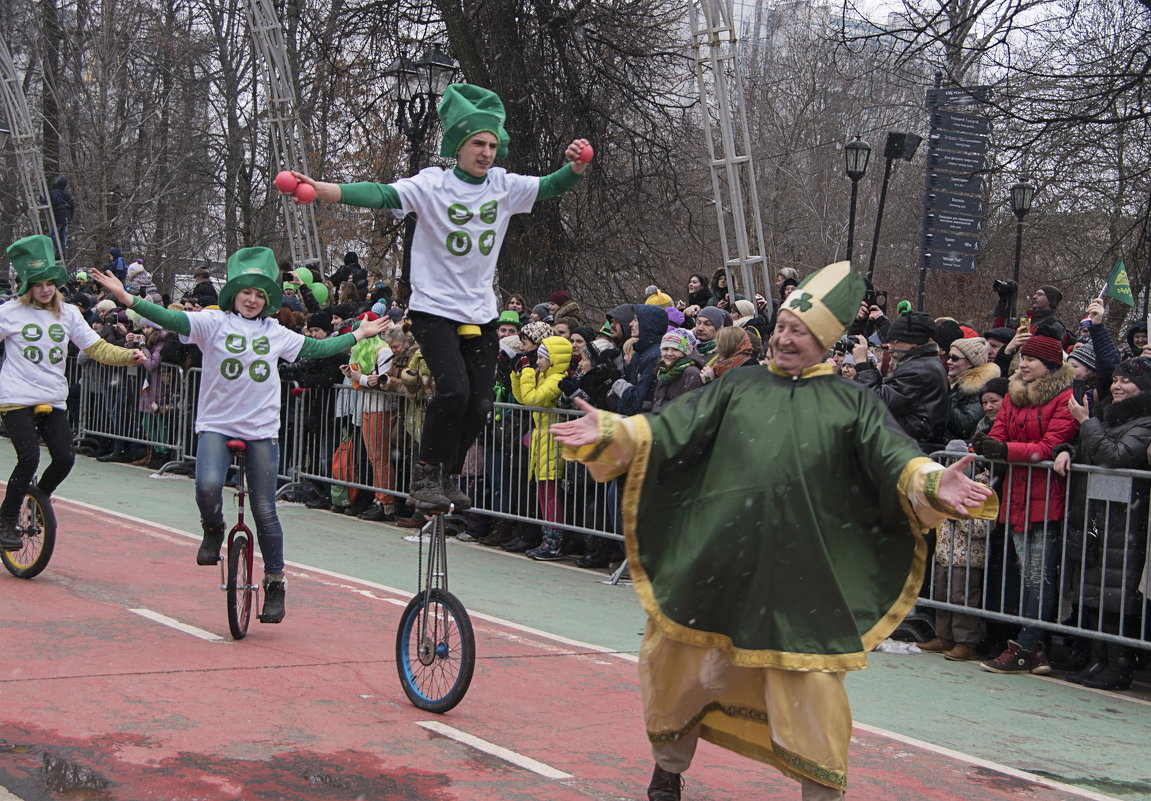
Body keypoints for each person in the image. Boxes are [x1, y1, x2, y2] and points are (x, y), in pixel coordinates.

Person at [551, 261, 995, 801]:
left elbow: (894, 456)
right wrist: (613, 430)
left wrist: (929, 482)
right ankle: (668, 769)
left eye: (798, 331)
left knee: (811, 687)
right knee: (678, 661)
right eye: (782, 326)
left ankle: (820, 793)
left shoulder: (852, 402)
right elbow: (672, 429)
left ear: (825, 342)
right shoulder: (737, 384)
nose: (785, 338)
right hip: (718, 559)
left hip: (802, 575)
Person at [287, 83, 590, 513]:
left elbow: (549, 186)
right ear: (458, 146)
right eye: (476, 144)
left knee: (480, 400)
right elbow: (381, 194)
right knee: (452, 391)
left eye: (491, 144)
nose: (486, 152)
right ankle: (425, 472)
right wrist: (324, 189)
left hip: (480, 310)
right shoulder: (432, 184)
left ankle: (449, 473)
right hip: (433, 308)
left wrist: (574, 167)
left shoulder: (503, 185)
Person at [91, 246, 389, 623]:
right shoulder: (212, 323)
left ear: (267, 300)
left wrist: (355, 334)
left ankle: (276, 583)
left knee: (265, 512)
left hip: (261, 429)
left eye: (259, 294)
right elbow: (167, 317)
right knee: (208, 485)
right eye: (246, 292)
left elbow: (317, 345)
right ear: (234, 295)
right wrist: (125, 297)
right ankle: (213, 528)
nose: (252, 299)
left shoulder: (276, 332)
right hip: (217, 424)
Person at [0, 236, 146, 550]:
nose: (45, 289)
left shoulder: (68, 314)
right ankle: (6, 519)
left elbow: (96, 347)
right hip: (15, 397)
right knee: (29, 458)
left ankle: (37, 500)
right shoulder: (9, 312)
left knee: (65, 458)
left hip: (52, 397)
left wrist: (127, 355)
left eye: (50, 283)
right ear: (28, 285)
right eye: (38, 284)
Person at [972, 333, 1079, 674]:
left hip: (1048, 496)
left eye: (1030, 359)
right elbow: (1000, 431)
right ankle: (1035, 650)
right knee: (1027, 576)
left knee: (1040, 576)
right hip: (1017, 494)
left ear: (1048, 364)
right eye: (1023, 358)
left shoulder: (1064, 398)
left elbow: (1050, 445)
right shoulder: (1013, 395)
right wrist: (987, 444)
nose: (1024, 364)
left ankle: (1026, 645)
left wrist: (1005, 451)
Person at [1052, 357, 1151, 690]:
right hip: (1099, 516)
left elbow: (1116, 456)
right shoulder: (1109, 415)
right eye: (1116, 379)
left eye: (1126, 381)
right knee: (1095, 593)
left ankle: (1118, 665)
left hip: (1126, 521)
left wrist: (1085, 422)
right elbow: (1091, 449)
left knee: (1117, 597)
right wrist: (1067, 449)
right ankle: (1098, 660)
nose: (1117, 386)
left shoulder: (1146, 421)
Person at [853, 312, 949, 452]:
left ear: (913, 343)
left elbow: (877, 402)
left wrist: (862, 365)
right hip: (911, 444)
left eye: (894, 341)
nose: (890, 347)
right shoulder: (923, 364)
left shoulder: (919, 370)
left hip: (913, 447)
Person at [943, 336, 1000, 441]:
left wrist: (944, 397)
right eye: (949, 356)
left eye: (955, 358)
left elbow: (965, 426)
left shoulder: (978, 387)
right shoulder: (953, 381)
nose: (949, 361)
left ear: (971, 362)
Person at [48, 176, 75, 259]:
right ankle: (62, 252)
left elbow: (52, 201)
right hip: (66, 217)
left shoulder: (54, 192)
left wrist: (44, 200)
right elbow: (72, 206)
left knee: (54, 235)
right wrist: (70, 216)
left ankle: (58, 252)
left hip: (59, 216)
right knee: (62, 236)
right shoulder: (67, 194)